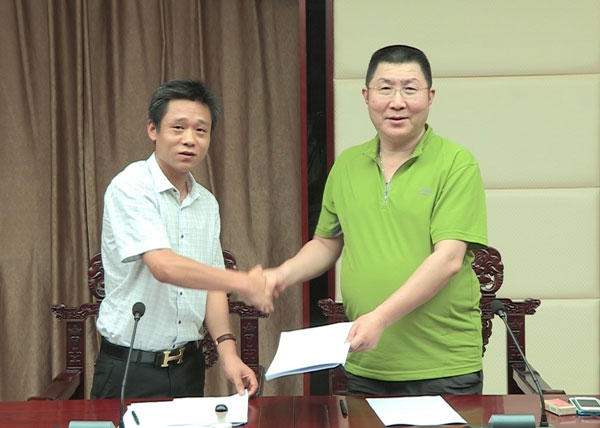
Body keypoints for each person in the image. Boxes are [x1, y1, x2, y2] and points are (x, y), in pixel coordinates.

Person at [265, 45, 487, 395]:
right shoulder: (347, 165)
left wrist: (380, 317)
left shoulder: (456, 164)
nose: (397, 102)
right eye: (385, 88)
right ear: (366, 96)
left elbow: (448, 259)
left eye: (409, 89)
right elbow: (326, 243)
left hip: (444, 365)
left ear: (430, 97)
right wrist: (281, 275)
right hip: (367, 362)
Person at [91, 79, 272, 399]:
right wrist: (244, 281)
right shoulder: (131, 186)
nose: (190, 139)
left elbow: (212, 286)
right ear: (153, 129)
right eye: (178, 127)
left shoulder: (207, 203)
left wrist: (229, 354)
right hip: (129, 369)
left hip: (187, 367)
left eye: (201, 130)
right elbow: (164, 266)